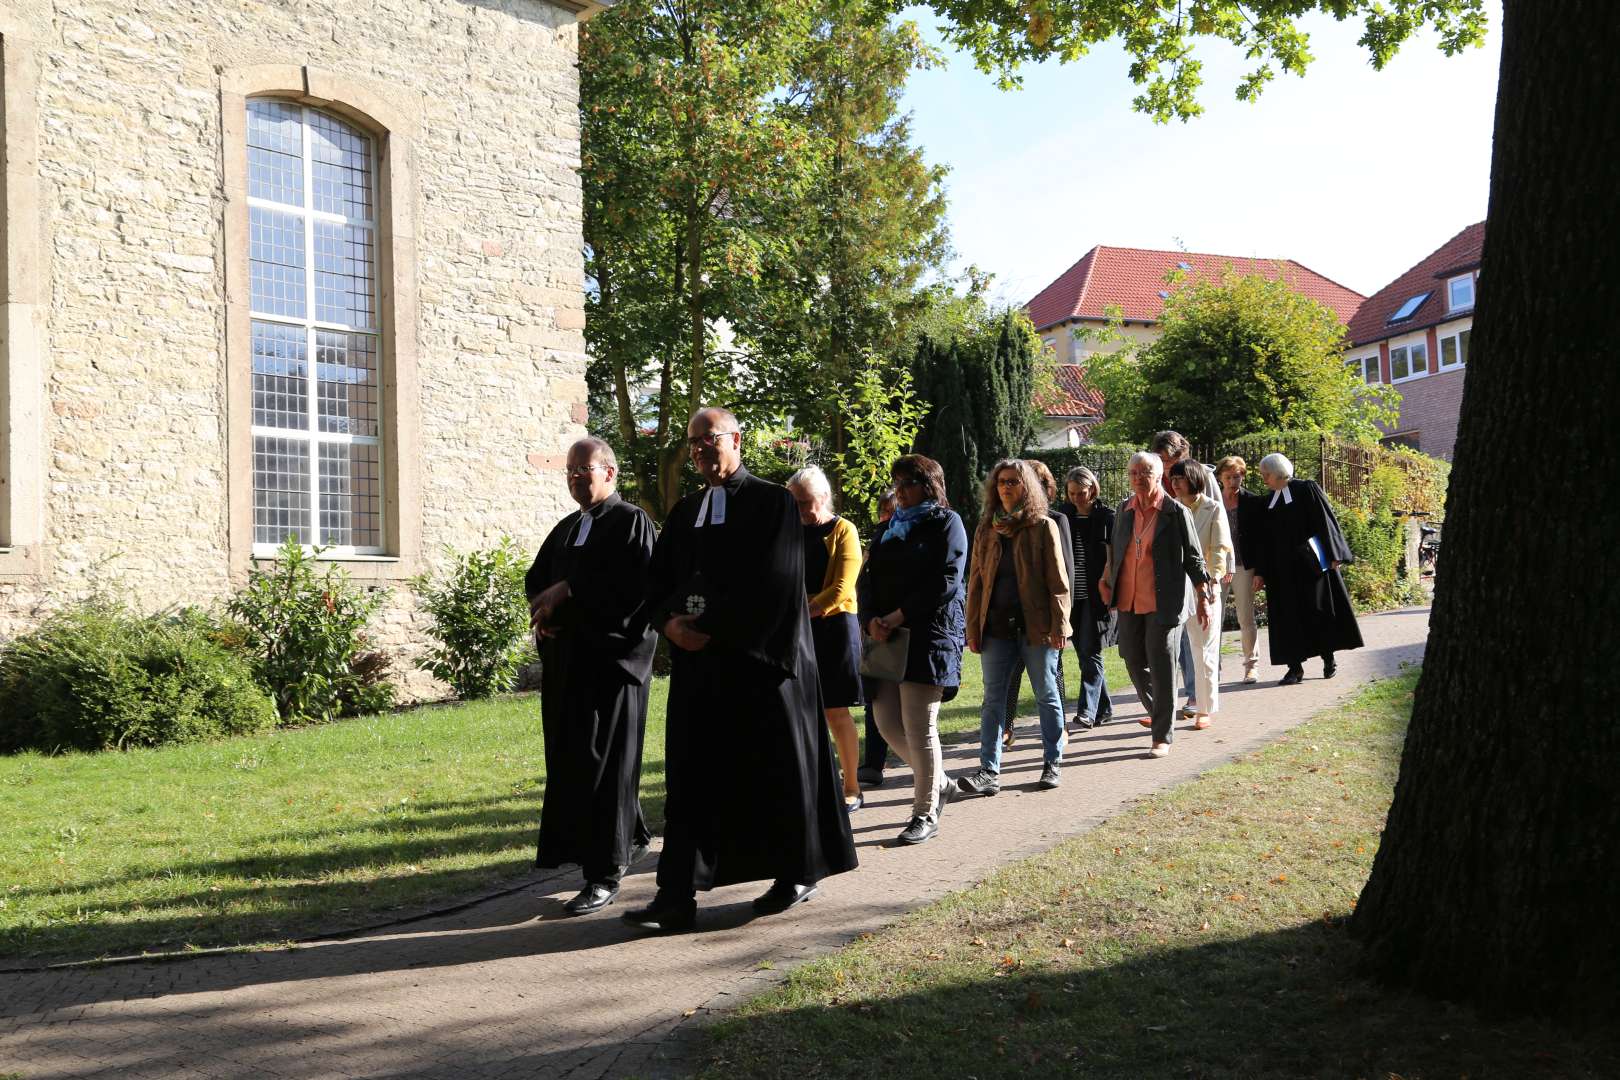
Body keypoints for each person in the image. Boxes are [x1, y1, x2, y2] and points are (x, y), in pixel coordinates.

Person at [624, 407, 858, 932]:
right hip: (701, 668)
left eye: (710, 440)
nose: (701, 451)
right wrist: (669, 625)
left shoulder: (774, 503)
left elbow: (775, 582)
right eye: (694, 444)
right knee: (690, 777)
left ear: (736, 440)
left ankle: (795, 874)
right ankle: (676, 894)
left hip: (764, 665)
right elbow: (658, 581)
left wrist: (714, 627)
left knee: (778, 772)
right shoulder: (685, 512)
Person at [526, 437, 657, 916]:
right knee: (579, 763)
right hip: (569, 667)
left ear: (610, 472)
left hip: (611, 668)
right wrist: (545, 609)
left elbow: (636, 589)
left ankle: (605, 873)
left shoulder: (632, 523)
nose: (576, 477)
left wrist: (571, 589)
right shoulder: (567, 528)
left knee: (608, 766)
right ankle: (633, 836)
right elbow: (536, 580)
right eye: (570, 471)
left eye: (585, 469)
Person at [856, 455, 968, 845]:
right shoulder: (887, 529)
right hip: (885, 639)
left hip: (927, 637)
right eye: (897, 484)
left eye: (907, 484)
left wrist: (900, 615)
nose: (899, 491)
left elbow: (947, 581)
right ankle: (940, 782)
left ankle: (924, 813)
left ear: (928, 485)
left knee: (921, 729)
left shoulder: (946, 524)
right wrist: (871, 618)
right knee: (886, 723)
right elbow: (865, 580)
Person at [958, 459, 1071, 795]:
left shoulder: (1042, 526)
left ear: (1027, 487)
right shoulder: (986, 528)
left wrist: (1060, 625)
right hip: (995, 628)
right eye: (1002, 482)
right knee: (993, 700)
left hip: (1036, 627)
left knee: (1046, 695)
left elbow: (1059, 583)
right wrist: (972, 628)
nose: (1006, 487)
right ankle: (988, 771)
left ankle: (1052, 761)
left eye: (1013, 482)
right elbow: (975, 582)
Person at [1099, 451, 1212, 759]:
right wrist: (1106, 576)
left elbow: (1193, 556)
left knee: (1162, 668)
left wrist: (1203, 597)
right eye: (1133, 472)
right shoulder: (1124, 510)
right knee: (1133, 659)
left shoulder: (1175, 512)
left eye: (1144, 472)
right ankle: (1163, 708)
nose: (1138, 478)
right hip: (1128, 599)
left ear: (1158, 475)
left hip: (1165, 601)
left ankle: (1161, 735)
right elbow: (1118, 550)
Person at [787, 465, 865, 813]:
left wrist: (802, 609)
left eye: (805, 503)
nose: (801, 510)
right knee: (801, 712)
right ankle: (817, 785)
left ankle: (851, 786)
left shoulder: (843, 530)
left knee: (835, 711)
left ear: (823, 497)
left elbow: (841, 588)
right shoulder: (789, 531)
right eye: (795, 504)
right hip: (796, 630)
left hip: (833, 629)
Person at [1252, 452, 1364, 684]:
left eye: (1266, 475)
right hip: (1281, 571)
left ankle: (1328, 659)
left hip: (1310, 566)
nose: (1264, 480)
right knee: (1287, 618)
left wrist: (1334, 554)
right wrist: (1261, 571)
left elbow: (1326, 521)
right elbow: (1262, 540)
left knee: (1318, 612)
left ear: (1278, 472)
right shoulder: (1267, 502)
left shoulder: (1306, 489)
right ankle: (1295, 668)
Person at [999, 460, 1074, 748]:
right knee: (1011, 674)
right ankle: (1006, 726)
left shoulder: (1054, 520)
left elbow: (1064, 569)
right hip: (1012, 617)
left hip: (1046, 615)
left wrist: (1063, 617)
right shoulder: (1002, 523)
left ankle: (1059, 729)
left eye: (1040, 483)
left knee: (1052, 675)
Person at [1151, 430, 1217, 719]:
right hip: (1169, 570)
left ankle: (1197, 697)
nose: (1166, 465)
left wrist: (1214, 573)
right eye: (1161, 459)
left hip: (1200, 568)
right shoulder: (1158, 480)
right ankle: (1176, 698)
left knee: (1199, 639)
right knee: (1173, 637)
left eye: (1169, 459)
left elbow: (1217, 522)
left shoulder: (1203, 478)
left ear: (1182, 454)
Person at [1169, 459, 1232, 730]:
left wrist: (1212, 582)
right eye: (1172, 479)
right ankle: (1162, 709)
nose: (1174, 483)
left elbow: (1219, 549)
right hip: (1172, 590)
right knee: (1165, 652)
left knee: (1203, 649)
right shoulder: (1169, 509)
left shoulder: (1213, 508)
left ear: (1194, 478)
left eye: (1179, 478)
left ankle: (1204, 709)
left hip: (1203, 588)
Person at [1058, 465, 1115, 729]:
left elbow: (1114, 556)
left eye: (1081, 493)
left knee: (1091, 650)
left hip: (1095, 593)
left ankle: (1086, 710)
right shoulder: (1063, 517)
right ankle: (1103, 708)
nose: (1076, 498)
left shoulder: (1106, 516)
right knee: (1083, 652)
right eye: (1072, 493)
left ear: (1092, 489)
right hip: (1071, 596)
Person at [855, 490, 898, 788]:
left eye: (891, 511)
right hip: (876, 629)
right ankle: (873, 762)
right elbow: (862, 584)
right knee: (876, 700)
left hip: (904, 627)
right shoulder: (876, 542)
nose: (886, 517)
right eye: (883, 511)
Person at [1215, 455, 1266, 683]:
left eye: (1237, 476)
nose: (1234, 481)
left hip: (1245, 566)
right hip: (1219, 565)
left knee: (1246, 617)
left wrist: (1260, 571)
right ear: (1220, 478)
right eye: (1229, 477)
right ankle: (1213, 668)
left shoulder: (1253, 502)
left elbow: (1262, 539)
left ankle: (1251, 666)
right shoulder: (1213, 502)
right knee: (1214, 618)